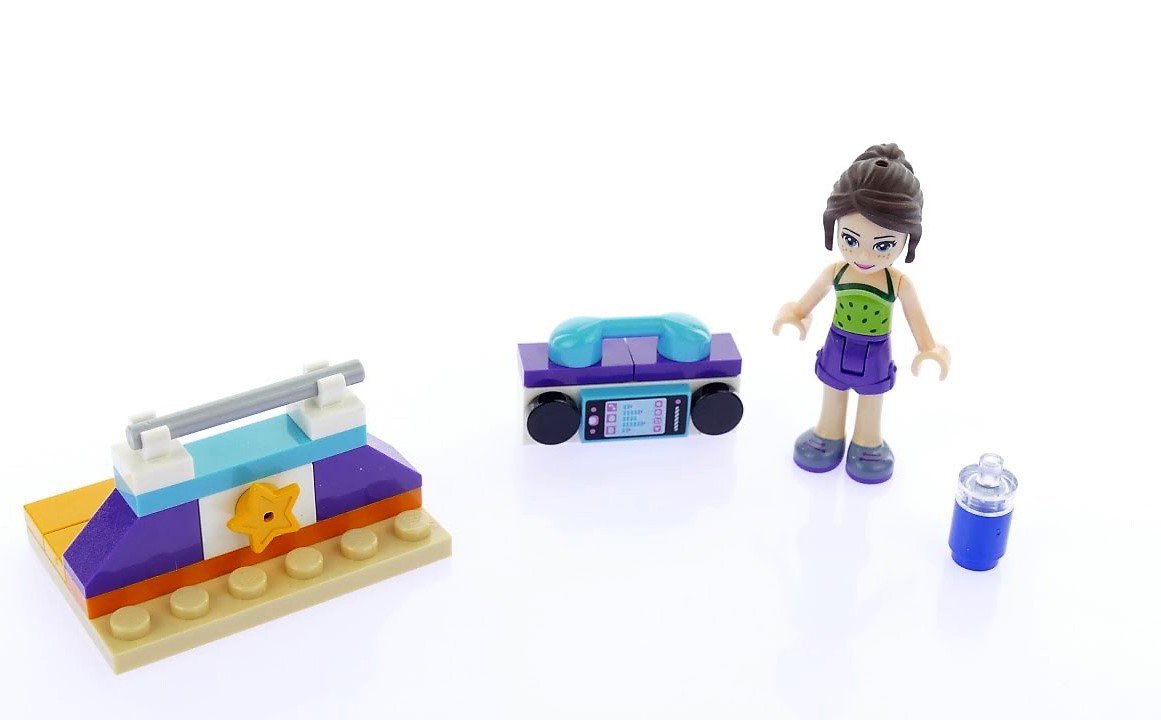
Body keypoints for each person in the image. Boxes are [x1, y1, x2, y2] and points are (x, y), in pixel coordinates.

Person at [773, 144, 950, 483]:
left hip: (876, 350)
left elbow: (916, 319)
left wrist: (929, 349)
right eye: (851, 240)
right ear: (834, 226)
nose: (864, 256)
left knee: (872, 397)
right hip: (837, 342)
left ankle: (868, 442)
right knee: (833, 389)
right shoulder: (836, 273)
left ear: (907, 239)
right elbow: (807, 301)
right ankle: (828, 434)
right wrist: (796, 314)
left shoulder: (898, 283)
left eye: (883, 245)